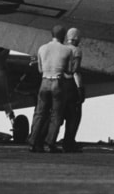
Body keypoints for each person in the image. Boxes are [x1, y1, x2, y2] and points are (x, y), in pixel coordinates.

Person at [29, 25, 79, 153]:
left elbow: (40, 69)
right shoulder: (67, 51)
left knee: (39, 113)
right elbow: (69, 71)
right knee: (56, 115)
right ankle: (50, 143)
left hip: (44, 81)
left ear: (52, 34)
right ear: (64, 36)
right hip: (58, 82)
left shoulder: (42, 48)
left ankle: (33, 142)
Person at [58, 28, 85, 151]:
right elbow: (76, 71)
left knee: (57, 115)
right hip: (70, 84)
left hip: (58, 83)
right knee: (74, 116)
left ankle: (49, 140)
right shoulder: (76, 50)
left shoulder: (60, 48)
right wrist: (80, 89)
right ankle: (69, 143)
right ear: (77, 38)